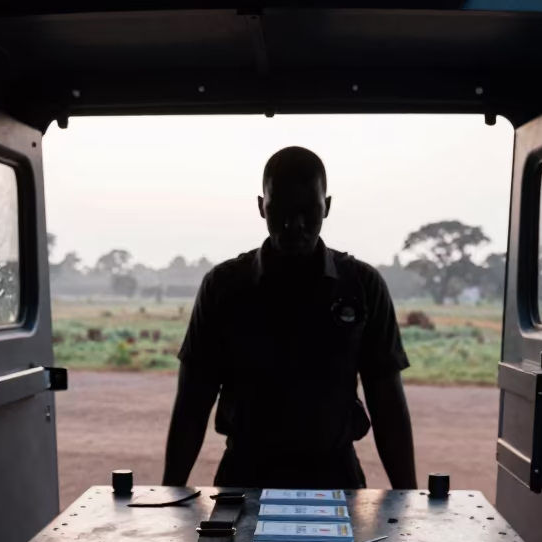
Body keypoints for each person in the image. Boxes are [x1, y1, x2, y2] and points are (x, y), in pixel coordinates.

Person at [162, 146, 416, 489]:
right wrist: (168, 496)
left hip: (335, 479)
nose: (293, 225)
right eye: (279, 210)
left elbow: (387, 405)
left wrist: (410, 501)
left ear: (327, 206)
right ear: (260, 207)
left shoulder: (362, 286)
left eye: (307, 210)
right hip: (245, 477)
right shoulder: (224, 287)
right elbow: (192, 404)